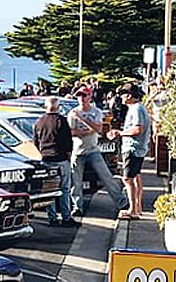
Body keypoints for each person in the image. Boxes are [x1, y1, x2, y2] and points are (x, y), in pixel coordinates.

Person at [67, 89, 129, 216]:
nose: (82, 98)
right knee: (76, 181)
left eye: (84, 95)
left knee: (106, 177)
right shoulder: (72, 113)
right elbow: (71, 132)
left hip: (93, 150)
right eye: (79, 96)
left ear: (90, 96)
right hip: (78, 151)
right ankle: (77, 206)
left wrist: (82, 120)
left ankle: (122, 202)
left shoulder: (96, 112)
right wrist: (88, 130)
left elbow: (98, 129)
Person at [109, 83, 150, 219]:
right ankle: (137, 207)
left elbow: (138, 129)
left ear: (129, 95)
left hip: (133, 148)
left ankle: (132, 210)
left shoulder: (136, 109)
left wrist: (119, 133)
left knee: (128, 178)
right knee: (136, 177)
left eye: (122, 94)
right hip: (137, 148)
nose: (120, 97)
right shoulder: (137, 108)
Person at [33, 96, 75, 226]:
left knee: (49, 190)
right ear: (58, 107)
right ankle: (66, 217)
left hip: (46, 158)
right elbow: (68, 142)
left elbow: (35, 141)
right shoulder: (61, 121)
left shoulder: (39, 122)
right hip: (61, 158)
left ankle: (52, 218)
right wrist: (68, 155)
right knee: (64, 189)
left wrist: (42, 152)